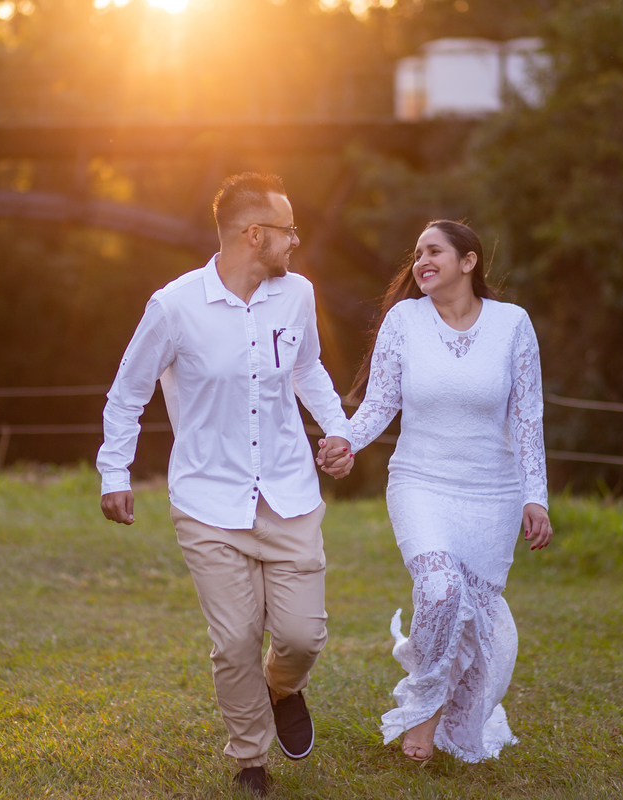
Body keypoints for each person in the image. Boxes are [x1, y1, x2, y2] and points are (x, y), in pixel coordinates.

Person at [97, 172, 353, 796]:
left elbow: (309, 366)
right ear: (254, 234)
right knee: (235, 639)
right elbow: (127, 394)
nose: (297, 241)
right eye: (288, 230)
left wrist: (339, 429)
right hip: (208, 501)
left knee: (300, 635)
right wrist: (114, 471)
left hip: (290, 495)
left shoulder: (296, 296)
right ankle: (250, 760)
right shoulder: (174, 306)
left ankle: (282, 686)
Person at [317, 219, 553, 764]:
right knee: (442, 590)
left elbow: (528, 419)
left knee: (471, 612)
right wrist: (344, 441)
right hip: (420, 481)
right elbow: (380, 402)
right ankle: (421, 718)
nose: (421, 261)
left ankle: (455, 716)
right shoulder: (405, 320)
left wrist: (533, 496)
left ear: (469, 262)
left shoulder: (512, 324)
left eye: (434, 251)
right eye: (417, 253)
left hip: (493, 492)